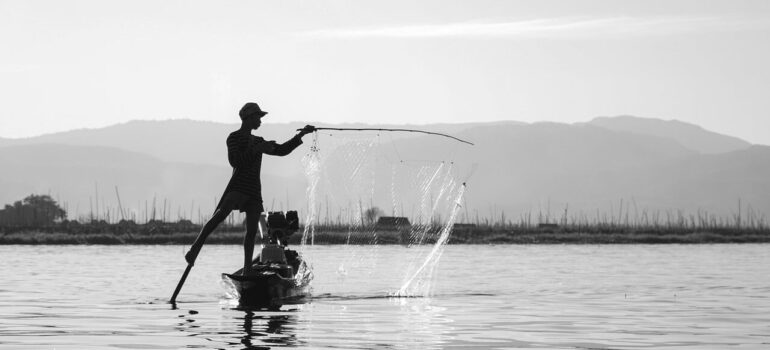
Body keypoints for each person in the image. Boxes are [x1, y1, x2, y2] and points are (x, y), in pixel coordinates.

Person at [185, 102, 315, 274]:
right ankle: (194, 249)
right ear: (248, 118)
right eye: (258, 117)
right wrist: (255, 150)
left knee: (252, 231)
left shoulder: (258, 140)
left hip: (254, 191)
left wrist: (301, 136)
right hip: (238, 187)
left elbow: (282, 150)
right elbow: (236, 161)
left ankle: (247, 269)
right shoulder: (234, 138)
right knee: (218, 218)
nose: (260, 121)